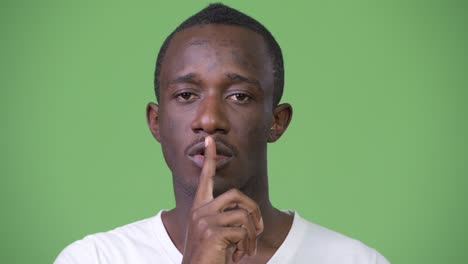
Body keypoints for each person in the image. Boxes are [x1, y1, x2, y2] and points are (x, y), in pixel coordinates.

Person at [54, 3, 390, 264]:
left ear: (277, 121)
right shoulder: (93, 258)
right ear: (156, 121)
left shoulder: (355, 260)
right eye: (186, 95)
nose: (210, 119)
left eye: (239, 96)